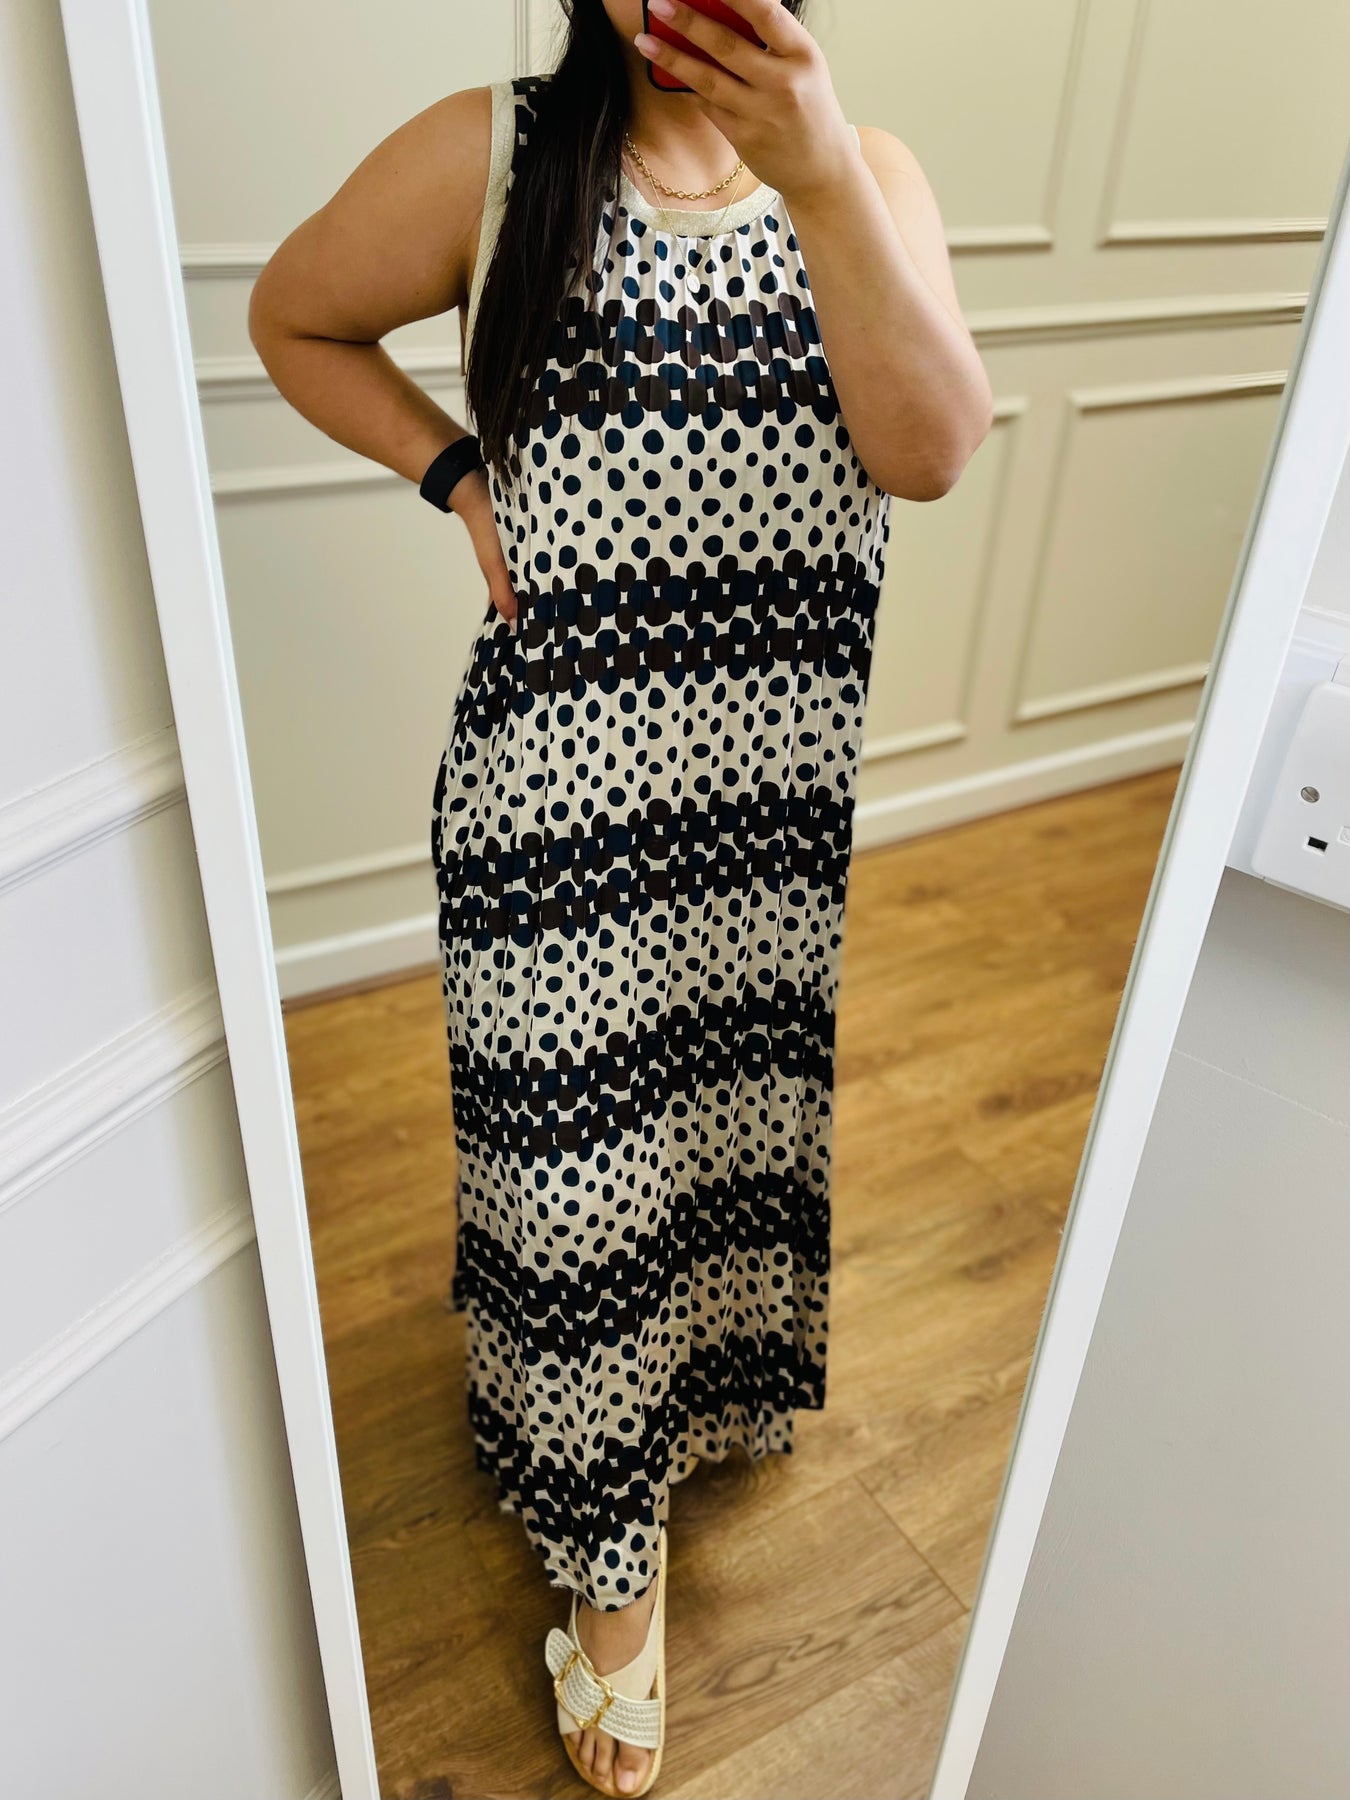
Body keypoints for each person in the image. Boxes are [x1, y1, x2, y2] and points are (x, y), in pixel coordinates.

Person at [249, 2, 992, 1793]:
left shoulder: (868, 176)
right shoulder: (491, 158)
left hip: (759, 822)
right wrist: (456, 476)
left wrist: (820, 177)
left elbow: (930, 452)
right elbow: (291, 316)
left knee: (717, 1141)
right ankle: (607, 1570)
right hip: (552, 809)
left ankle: (690, 1405)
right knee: (572, 1183)